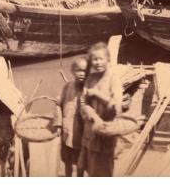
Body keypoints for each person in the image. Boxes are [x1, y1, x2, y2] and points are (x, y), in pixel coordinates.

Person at [79, 43, 123, 177]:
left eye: (101, 59)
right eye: (94, 59)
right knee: (90, 167)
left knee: (105, 169)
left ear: (108, 59)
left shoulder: (114, 80)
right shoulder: (90, 79)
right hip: (90, 130)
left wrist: (98, 94)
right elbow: (82, 102)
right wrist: (92, 115)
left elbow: (117, 108)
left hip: (106, 131)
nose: (98, 63)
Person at [53, 57, 88, 177]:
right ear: (73, 71)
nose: (82, 74)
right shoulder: (67, 87)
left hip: (83, 132)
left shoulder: (90, 89)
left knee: (81, 162)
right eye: (79, 70)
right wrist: (58, 125)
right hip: (68, 130)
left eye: (85, 71)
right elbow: (58, 104)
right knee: (67, 160)